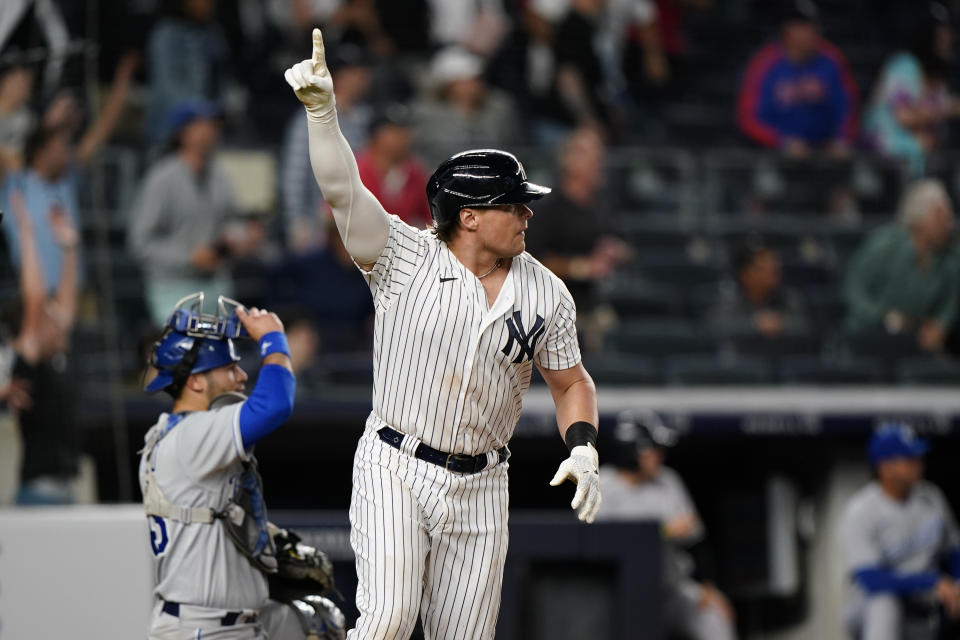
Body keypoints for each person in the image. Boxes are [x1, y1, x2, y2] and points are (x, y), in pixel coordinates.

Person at [285, 28, 602, 639]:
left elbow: (570, 382)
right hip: (397, 463)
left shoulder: (545, 289)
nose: (528, 213)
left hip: (484, 482)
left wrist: (583, 445)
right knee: (387, 622)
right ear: (470, 216)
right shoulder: (404, 255)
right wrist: (324, 115)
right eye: (514, 205)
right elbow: (342, 191)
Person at [140, 292, 339, 639]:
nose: (241, 376)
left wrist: (266, 537)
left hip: (230, 619)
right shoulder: (192, 434)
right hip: (207, 628)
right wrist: (273, 339)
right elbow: (274, 404)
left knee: (320, 623)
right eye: (229, 368)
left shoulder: (176, 435)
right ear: (196, 381)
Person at [598, 409, 737, 640]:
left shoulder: (668, 481)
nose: (659, 455)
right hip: (625, 590)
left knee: (715, 617)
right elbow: (601, 544)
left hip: (673, 589)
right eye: (652, 449)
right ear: (630, 450)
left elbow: (696, 541)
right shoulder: (602, 484)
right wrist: (664, 531)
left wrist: (708, 587)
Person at [128, 99, 263, 325]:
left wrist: (242, 237)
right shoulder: (162, 178)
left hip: (216, 284)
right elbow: (140, 242)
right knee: (183, 357)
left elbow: (232, 222)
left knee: (219, 357)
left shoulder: (220, 177)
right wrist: (188, 257)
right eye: (201, 124)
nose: (209, 132)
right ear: (183, 132)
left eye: (213, 125)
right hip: (173, 287)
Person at [838, 423, 960, 640]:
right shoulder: (861, 510)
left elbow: (952, 552)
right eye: (909, 459)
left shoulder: (931, 497)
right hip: (869, 612)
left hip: (922, 607)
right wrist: (932, 582)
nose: (918, 463)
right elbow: (870, 580)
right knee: (884, 602)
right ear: (885, 466)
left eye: (918, 457)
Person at [7, 186, 79, 505]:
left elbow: (66, 298)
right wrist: (27, 232)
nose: (57, 319)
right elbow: (35, 296)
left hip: (66, 489)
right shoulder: (29, 358)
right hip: (38, 491)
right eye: (49, 318)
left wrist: (68, 249)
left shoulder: (56, 358)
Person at [523, 127, 631, 316]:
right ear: (570, 162)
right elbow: (531, 260)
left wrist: (617, 250)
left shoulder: (602, 205)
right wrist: (582, 267)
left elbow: (626, 247)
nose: (600, 165)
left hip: (596, 305)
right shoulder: (547, 207)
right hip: (553, 310)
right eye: (594, 158)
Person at [843, 179, 960, 354]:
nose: (950, 224)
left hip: (918, 340)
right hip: (871, 335)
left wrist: (941, 324)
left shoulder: (950, 256)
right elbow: (854, 289)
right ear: (921, 220)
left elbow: (952, 298)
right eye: (940, 216)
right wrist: (884, 317)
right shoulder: (884, 246)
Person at [737, 0, 858, 157]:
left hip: (826, 153)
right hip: (773, 154)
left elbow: (848, 107)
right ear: (787, 30)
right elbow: (748, 119)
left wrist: (843, 139)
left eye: (814, 26)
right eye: (803, 26)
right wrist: (781, 141)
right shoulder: (764, 63)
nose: (812, 32)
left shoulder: (832, 59)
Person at [864, 2, 960, 177]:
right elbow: (904, 117)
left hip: (920, 161)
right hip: (885, 159)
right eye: (941, 35)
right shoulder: (904, 65)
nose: (948, 39)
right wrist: (948, 108)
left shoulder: (937, 75)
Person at [412, 46, 520, 162]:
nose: (475, 86)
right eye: (467, 81)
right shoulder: (425, 113)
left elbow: (513, 145)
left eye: (477, 80)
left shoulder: (499, 108)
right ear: (449, 85)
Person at [709, 237, 810, 339]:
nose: (773, 268)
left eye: (773, 262)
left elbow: (805, 325)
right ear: (745, 273)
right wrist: (753, 324)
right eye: (764, 264)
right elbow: (716, 326)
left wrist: (781, 324)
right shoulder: (730, 297)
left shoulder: (788, 296)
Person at [356, 106, 432, 228]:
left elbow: (432, 217)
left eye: (406, 130)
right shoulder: (356, 170)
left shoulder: (415, 172)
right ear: (376, 135)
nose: (405, 136)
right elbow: (334, 222)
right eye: (396, 130)